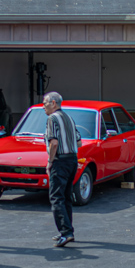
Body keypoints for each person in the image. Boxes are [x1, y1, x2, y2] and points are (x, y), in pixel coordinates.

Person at [43, 91, 80, 247]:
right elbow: (79, 142)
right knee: (66, 196)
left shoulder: (52, 118)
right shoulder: (69, 118)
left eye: (45, 104)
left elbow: (54, 143)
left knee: (56, 197)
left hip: (60, 160)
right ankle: (68, 230)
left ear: (53, 103)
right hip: (72, 159)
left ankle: (66, 232)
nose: (43, 107)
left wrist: (50, 161)